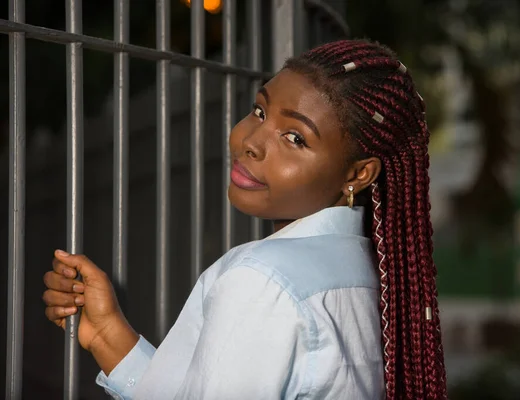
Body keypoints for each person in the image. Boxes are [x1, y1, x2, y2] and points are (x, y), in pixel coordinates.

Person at [43, 39, 448, 399]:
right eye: (259, 110)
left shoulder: (262, 280)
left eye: (295, 138)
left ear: (358, 174)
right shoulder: (368, 271)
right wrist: (108, 335)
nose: (250, 141)